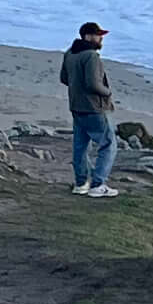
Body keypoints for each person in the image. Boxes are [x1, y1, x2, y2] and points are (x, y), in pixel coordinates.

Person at [63, 23, 117, 195]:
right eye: (98, 35)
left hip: (76, 106)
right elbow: (93, 84)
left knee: (80, 147)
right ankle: (98, 184)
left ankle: (81, 184)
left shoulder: (70, 53)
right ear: (88, 36)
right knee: (108, 144)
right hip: (94, 108)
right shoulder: (91, 56)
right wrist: (107, 92)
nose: (101, 38)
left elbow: (64, 78)